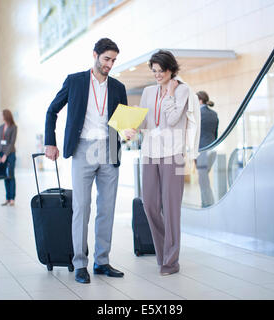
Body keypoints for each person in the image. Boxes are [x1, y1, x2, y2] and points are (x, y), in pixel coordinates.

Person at [44, 38, 127, 284]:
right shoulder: (75, 81)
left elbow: (122, 122)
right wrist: (51, 142)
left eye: (113, 60)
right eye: (106, 59)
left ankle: (102, 261)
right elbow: (52, 111)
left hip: (109, 150)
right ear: (95, 55)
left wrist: (129, 130)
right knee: (82, 207)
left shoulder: (119, 87)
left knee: (107, 208)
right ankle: (79, 263)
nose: (110, 64)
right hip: (82, 149)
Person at [125, 50, 199, 276]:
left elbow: (175, 117)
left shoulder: (183, 90)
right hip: (149, 152)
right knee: (149, 203)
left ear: (171, 70)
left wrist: (170, 93)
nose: (157, 75)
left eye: (161, 71)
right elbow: (147, 119)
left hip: (173, 154)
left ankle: (171, 261)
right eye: (154, 71)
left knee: (171, 207)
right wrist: (131, 128)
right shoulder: (148, 91)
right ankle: (163, 252)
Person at [196, 91, 218, 207]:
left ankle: (207, 204)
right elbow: (216, 134)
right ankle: (208, 202)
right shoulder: (214, 114)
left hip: (202, 150)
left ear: (200, 101)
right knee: (205, 178)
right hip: (213, 149)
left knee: (203, 180)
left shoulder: (198, 114)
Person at [0, 109, 18, 206]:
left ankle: (12, 198)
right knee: (5, 176)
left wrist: (5, 155)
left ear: (6, 116)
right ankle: (7, 198)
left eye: (2, 115)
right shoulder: (0, 127)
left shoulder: (14, 127)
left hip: (10, 154)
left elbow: (12, 142)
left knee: (11, 176)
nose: (1, 117)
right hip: (1, 154)